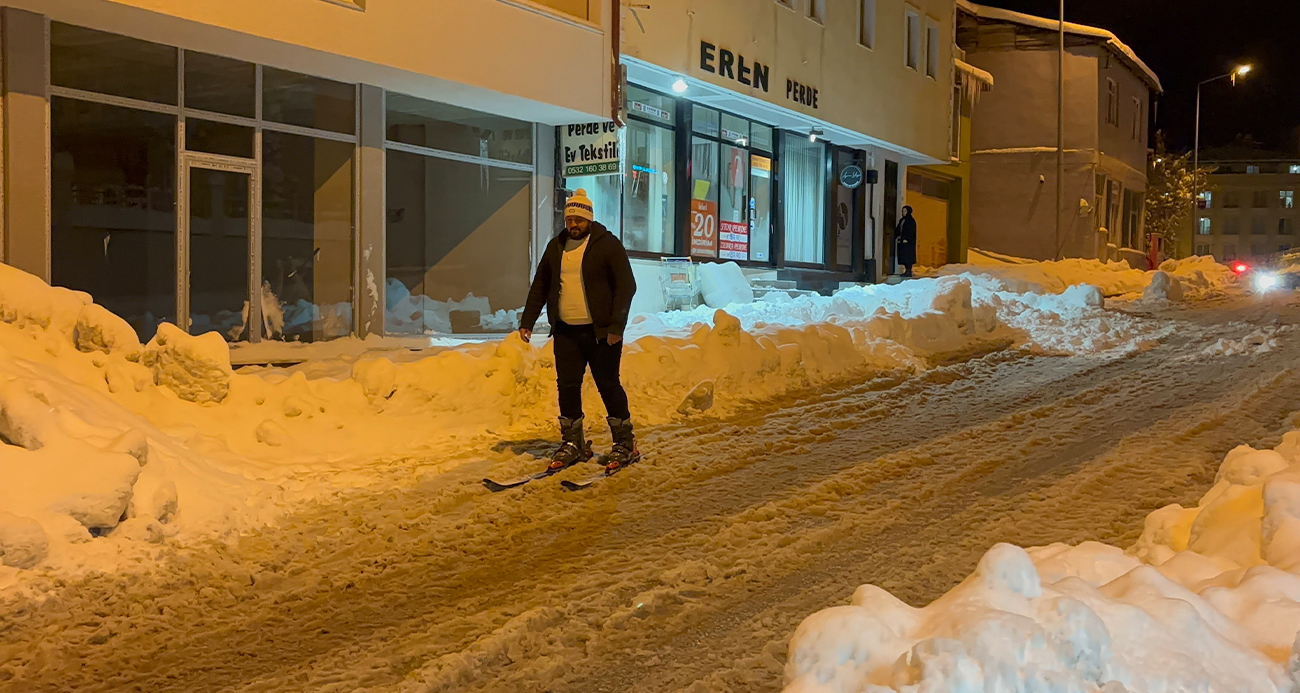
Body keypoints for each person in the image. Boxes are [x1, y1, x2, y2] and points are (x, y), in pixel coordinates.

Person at [519, 189, 640, 472]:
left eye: (578, 219)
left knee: (608, 385)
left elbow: (626, 286)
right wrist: (527, 321)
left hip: (601, 334)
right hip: (566, 332)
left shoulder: (607, 245)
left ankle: (625, 443)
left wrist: (616, 326)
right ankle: (573, 442)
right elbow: (540, 285)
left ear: (589, 219)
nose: (573, 224)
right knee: (568, 387)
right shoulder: (556, 247)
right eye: (569, 218)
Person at [895, 205, 917, 277]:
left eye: (905, 211)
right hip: (902, 241)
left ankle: (908, 270)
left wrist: (907, 239)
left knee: (908, 256)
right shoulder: (902, 220)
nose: (903, 212)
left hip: (908, 242)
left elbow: (911, 231)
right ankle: (906, 270)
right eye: (903, 211)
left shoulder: (911, 221)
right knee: (903, 256)